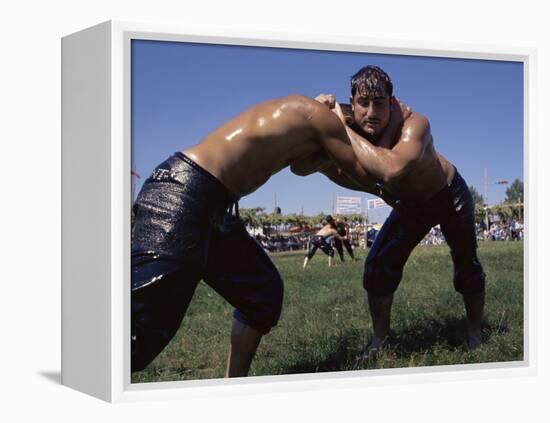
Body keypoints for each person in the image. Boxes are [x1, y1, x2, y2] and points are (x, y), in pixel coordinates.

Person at [131, 94, 371, 376]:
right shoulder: (319, 115)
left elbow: (302, 168)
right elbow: (362, 170)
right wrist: (342, 128)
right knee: (139, 333)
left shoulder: (307, 130)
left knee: (262, 293)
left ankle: (234, 388)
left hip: (216, 204)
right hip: (184, 191)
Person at [314, 65, 486, 354]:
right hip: (412, 204)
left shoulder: (416, 123)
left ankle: (474, 330)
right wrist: (318, 111)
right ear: (351, 103)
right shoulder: (350, 123)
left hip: (447, 193)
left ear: (393, 103)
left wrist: (339, 127)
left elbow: (392, 170)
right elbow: (301, 165)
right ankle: (381, 339)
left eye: (380, 103)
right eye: (363, 103)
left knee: (466, 265)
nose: (371, 112)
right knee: (377, 267)